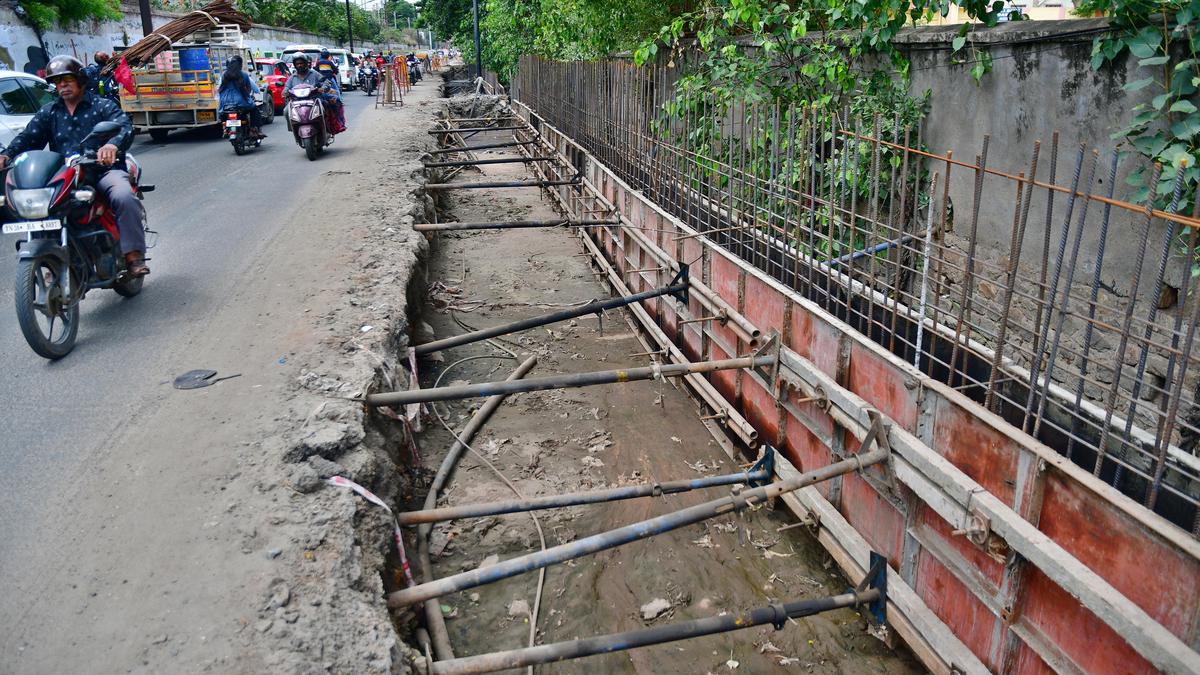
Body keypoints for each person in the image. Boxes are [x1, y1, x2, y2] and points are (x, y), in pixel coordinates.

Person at [0, 55, 148, 276]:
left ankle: (134, 256)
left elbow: (124, 128)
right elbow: (28, 138)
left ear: (80, 80)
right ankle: (53, 255)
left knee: (123, 196)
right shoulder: (49, 112)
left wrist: (111, 145)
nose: (63, 85)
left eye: (67, 79)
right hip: (66, 175)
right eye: (58, 81)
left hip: (101, 170)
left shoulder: (102, 106)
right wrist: (6, 155)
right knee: (41, 208)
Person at [217, 55, 265, 140]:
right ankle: (254, 129)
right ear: (240, 65)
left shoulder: (224, 75)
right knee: (254, 109)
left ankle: (225, 129)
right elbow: (250, 88)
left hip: (225, 104)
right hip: (241, 103)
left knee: (222, 114)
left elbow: (219, 89)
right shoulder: (244, 75)